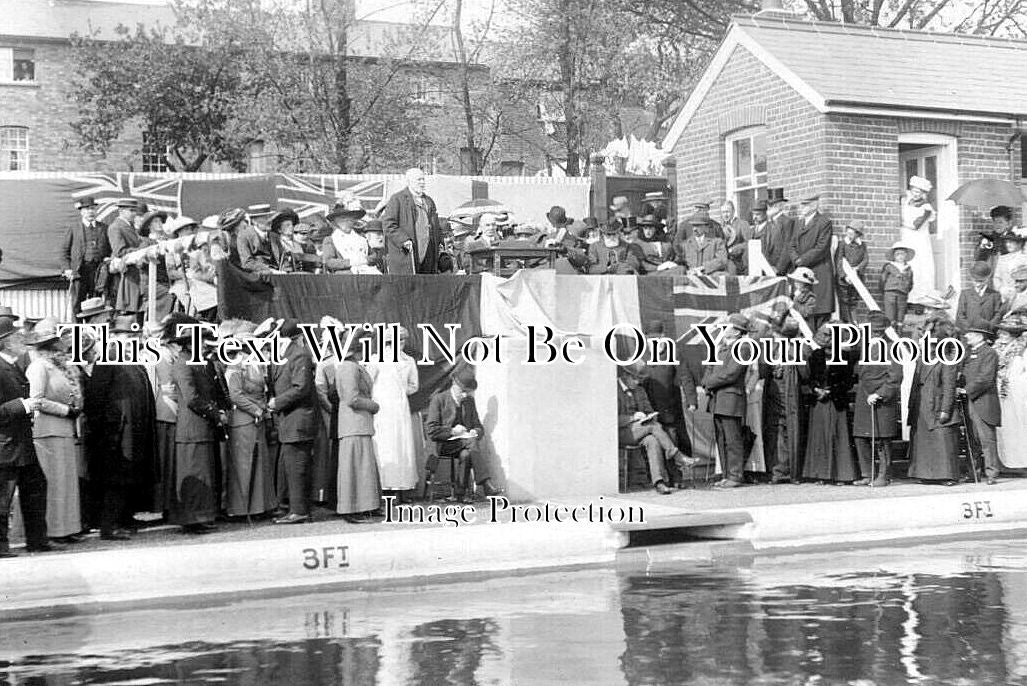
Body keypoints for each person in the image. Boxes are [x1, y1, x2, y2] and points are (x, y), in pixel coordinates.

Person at [165, 315, 225, 534]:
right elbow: (191, 398)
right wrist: (215, 414)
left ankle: (202, 516)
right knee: (195, 473)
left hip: (202, 427)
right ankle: (192, 519)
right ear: (190, 342)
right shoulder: (183, 364)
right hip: (192, 428)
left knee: (203, 473)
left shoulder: (199, 362)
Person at [26, 318, 83, 542]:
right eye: (56, 343)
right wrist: (65, 410)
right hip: (48, 431)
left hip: (64, 431)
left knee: (66, 482)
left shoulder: (59, 367)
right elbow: (36, 400)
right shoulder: (39, 367)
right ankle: (54, 530)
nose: (61, 348)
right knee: (54, 482)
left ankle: (66, 528)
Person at [0, 318, 49, 556]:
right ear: (6, 342)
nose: (22, 339)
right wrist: (23, 405)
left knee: (36, 488)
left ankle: (37, 541)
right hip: (6, 447)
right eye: (17, 336)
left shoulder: (14, 365)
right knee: (2, 500)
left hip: (21, 444)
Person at [617, 363, 697, 494]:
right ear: (625, 376)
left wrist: (649, 415)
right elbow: (611, 420)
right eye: (634, 378)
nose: (637, 382)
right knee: (653, 427)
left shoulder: (639, 390)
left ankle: (658, 482)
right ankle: (677, 455)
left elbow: (648, 408)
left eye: (639, 379)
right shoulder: (614, 390)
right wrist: (633, 417)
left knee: (652, 441)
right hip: (622, 432)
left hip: (641, 429)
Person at [425, 368, 504, 499]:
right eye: (463, 391)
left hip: (464, 445)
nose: (465, 395)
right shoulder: (439, 399)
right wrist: (452, 431)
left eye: (467, 392)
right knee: (471, 444)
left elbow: (479, 426)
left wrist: (475, 431)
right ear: (454, 385)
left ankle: (459, 494)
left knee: (467, 454)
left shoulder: (469, 402)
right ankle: (486, 484)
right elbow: (431, 430)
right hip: (442, 445)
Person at [225, 321, 277, 517]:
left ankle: (259, 507)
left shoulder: (254, 362)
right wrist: (256, 410)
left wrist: (262, 409)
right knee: (244, 464)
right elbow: (235, 395)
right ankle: (241, 508)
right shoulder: (235, 364)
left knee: (259, 462)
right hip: (242, 419)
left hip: (257, 417)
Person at [269, 319, 319, 524]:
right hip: (290, 420)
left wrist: (277, 402)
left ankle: (299, 511)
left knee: (296, 467)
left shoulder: (299, 354)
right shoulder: (286, 355)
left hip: (298, 420)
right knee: (291, 466)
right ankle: (294, 508)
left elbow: (301, 387)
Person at [364, 325, 419, 500]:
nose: (400, 343)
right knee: (385, 447)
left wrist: (400, 391)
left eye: (403, 340)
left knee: (402, 447)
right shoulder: (375, 359)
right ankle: (384, 489)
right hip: (381, 410)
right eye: (396, 340)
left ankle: (402, 488)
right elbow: (367, 383)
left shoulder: (408, 361)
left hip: (400, 409)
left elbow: (414, 385)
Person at [334, 330, 383, 522]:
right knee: (354, 468)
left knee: (362, 468)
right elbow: (352, 398)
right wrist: (374, 406)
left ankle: (367, 505)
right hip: (353, 423)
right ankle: (350, 509)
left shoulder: (353, 366)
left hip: (358, 424)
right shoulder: (348, 367)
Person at [802, 321, 858, 484]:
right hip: (819, 402)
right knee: (819, 437)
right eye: (824, 335)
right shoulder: (816, 355)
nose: (825, 339)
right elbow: (810, 378)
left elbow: (848, 382)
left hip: (836, 401)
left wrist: (830, 391)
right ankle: (820, 474)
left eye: (829, 335)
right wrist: (816, 389)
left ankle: (840, 474)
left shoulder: (846, 356)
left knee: (837, 436)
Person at [907, 319, 961, 485]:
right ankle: (925, 474)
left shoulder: (946, 360)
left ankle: (947, 475)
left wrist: (946, 409)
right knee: (923, 440)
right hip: (922, 405)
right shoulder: (921, 360)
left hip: (937, 405)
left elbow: (949, 387)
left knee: (942, 440)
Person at [852, 312, 903, 487]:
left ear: (878, 332)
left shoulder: (891, 349)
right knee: (861, 437)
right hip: (863, 398)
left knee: (882, 439)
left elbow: (895, 377)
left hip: (880, 401)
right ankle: (867, 473)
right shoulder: (864, 348)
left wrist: (880, 394)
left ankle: (884, 475)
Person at [700, 314, 749, 488]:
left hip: (731, 400)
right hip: (717, 400)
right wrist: (705, 382)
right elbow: (709, 367)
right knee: (722, 439)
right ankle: (727, 475)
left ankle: (735, 476)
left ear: (736, 331)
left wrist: (709, 382)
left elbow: (731, 373)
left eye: (727, 326)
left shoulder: (743, 347)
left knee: (733, 439)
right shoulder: (720, 347)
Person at [760, 319, 808, 484]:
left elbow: (805, 373)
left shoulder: (796, 350)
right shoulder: (773, 348)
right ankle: (777, 470)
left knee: (788, 432)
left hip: (790, 395)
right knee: (775, 431)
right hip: (775, 394)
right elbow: (763, 370)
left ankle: (788, 471)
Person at [381, 168, 444, 274]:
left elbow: (436, 225)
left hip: (428, 254)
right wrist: (403, 240)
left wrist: (440, 242)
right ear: (409, 180)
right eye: (419, 180)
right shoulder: (397, 199)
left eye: (423, 179)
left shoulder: (429, 201)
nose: (422, 183)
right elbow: (388, 224)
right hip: (406, 254)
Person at [960, 321, 1001, 485]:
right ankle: (973, 473)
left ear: (979, 336)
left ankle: (992, 474)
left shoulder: (989, 353)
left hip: (983, 402)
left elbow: (985, 379)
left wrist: (966, 390)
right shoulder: (969, 353)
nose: (966, 336)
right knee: (971, 440)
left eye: (970, 333)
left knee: (986, 440)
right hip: (969, 401)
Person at [789, 195, 834, 330]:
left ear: (814, 206)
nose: (802, 208)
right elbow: (791, 245)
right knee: (803, 311)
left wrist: (802, 260)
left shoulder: (824, 222)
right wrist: (795, 258)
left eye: (805, 205)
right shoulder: (799, 223)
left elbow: (822, 247)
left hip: (818, 271)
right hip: (801, 272)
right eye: (801, 205)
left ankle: (820, 346)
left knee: (818, 312)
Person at [61, 196, 112, 317]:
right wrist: (67, 269)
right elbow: (64, 251)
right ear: (81, 211)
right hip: (80, 271)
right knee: (77, 303)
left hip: (99, 272)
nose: (90, 212)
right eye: (87, 209)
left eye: (93, 209)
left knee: (96, 303)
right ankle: (77, 332)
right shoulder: (74, 229)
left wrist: (108, 259)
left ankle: (93, 330)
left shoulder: (104, 228)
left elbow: (111, 250)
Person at [900, 175, 936, 305]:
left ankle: (920, 295)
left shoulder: (926, 208)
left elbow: (916, 225)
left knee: (919, 264)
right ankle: (907, 295)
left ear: (923, 194)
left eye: (919, 192)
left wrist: (901, 223)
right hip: (906, 237)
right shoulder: (906, 202)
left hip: (918, 238)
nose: (915, 194)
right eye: (914, 191)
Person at [107, 197, 146, 317]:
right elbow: (120, 251)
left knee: (137, 306)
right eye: (131, 211)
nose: (134, 214)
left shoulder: (131, 226)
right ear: (121, 211)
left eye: (135, 211)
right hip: (127, 273)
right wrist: (142, 250)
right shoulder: (115, 227)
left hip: (136, 272)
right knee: (129, 307)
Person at [321, 199, 378, 274]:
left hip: (366, 271)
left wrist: (365, 260)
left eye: (349, 218)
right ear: (336, 221)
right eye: (342, 219)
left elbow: (374, 255)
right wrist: (351, 262)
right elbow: (329, 261)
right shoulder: (330, 240)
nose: (346, 221)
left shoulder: (361, 238)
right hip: (344, 275)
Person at [237, 204, 286, 275]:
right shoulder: (244, 236)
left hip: (278, 274)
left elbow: (283, 258)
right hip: (257, 277)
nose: (270, 221)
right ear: (254, 221)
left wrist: (285, 270)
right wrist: (270, 271)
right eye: (265, 218)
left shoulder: (274, 236)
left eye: (270, 217)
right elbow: (247, 263)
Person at [835, 219, 868, 323]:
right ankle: (846, 322)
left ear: (857, 234)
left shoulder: (862, 245)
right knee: (844, 300)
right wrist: (845, 276)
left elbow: (865, 259)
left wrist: (857, 269)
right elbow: (839, 260)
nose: (849, 234)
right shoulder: (842, 244)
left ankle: (854, 321)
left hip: (857, 277)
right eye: (848, 231)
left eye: (852, 232)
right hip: (844, 279)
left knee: (854, 300)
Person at [956, 261, 1004, 330]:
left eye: (981, 281)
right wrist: (969, 328)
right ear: (971, 278)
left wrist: (990, 326)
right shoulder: (965, 294)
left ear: (987, 279)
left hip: (988, 332)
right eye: (975, 281)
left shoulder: (995, 295)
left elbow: (998, 314)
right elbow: (960, 315)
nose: (978, 284)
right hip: (969, 334)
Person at [880, 242, 915, 330]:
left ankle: (899, 333)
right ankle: (890, 334)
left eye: (902, 254)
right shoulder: (889, 267)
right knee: (890, 313)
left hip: (902, 293)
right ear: (894, 256)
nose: (900, 256)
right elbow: (882, 280)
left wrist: (905, 289)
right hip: (890, 292)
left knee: (901, 313)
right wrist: (886, 290)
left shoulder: (908, 269)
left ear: (906, 256)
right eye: (897, 254)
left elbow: (910, 283)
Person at [763, 189, 794, 275]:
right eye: (768, 205)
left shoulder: (787, 222)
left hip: (782, 270)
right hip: (768, 269)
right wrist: (766, 266)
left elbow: (788, 247)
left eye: (772, 205)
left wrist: (778, 268)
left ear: (780, 206)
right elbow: (765, 247)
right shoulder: (768, 224)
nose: (769, 208)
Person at [993, 230, 1027, 304]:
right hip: (1004, 298)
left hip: (1022, 299)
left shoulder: (1025, 259)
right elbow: (996, 277)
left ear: (1020, 243)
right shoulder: (1002, 259)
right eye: (1007, 242)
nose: (1008, 244)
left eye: (1011, 242)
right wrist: (1001, 289)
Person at [720, 200, 750, 275]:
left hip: (739, 263)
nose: (725, 215)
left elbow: (749, 243)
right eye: (723, 212)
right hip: (724, 264)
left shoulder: (742, 224)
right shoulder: (720, 227)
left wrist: (734, 249)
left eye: (727, 212)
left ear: (733, 211)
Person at [784, 267, 818, 332]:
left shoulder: (810, 297)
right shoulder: (794, 293)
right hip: (793, 324)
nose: (795, 283)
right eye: (795, 280)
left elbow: (807, 313)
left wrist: (794, 305)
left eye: (798, 281)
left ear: (805, 283)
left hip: (804, 327)